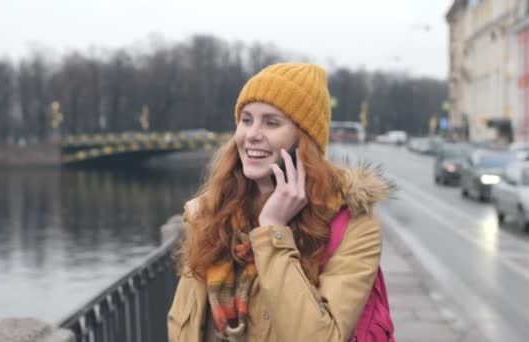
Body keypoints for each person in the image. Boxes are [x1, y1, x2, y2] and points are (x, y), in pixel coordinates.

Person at [168, 62, 393, 341]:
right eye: (246, 119)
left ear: (304, 141)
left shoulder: (354, 227)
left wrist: (272, 231)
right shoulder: (210, 213)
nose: (252, 134)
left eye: (272, 122)